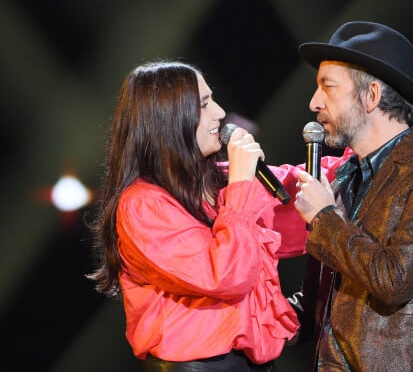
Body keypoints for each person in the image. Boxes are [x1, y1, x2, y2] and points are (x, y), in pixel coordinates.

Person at [85, 60, 310, 371]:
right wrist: (243, 185)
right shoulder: (142, 205)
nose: (219, 112)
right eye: (204, 105)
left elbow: (294, 198)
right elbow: (226, 275)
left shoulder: (219, 181)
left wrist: (370, 154)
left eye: (213, 99)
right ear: (169, 118)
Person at [290, 21, 413, 371]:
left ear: (372, 95)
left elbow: (394, 280)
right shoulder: (345, 177)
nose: (314, 103)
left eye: (328, 88)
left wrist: (325, 217)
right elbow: (323, 297)